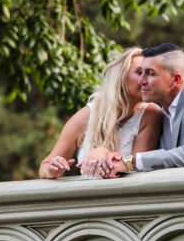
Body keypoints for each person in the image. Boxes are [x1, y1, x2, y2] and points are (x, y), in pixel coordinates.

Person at [80, 43, 184, 178]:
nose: (141, 81)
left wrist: (128, 161)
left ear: (176, 79)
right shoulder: (160, 112)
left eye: (150, 73)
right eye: (140, 73)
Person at [38, 47, 164, 179]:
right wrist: (51, 169)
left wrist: (104, 153)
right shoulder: (85, 116)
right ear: (120, 76)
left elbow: (136, 163)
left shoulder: (151, 114)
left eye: (150, 74)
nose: (146, 80)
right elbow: (44, 167)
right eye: (139, 73)